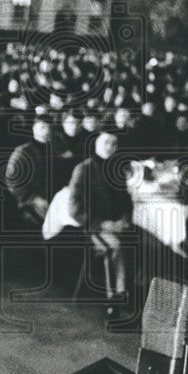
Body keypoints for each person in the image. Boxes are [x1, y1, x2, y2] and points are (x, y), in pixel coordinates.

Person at [67, 131, 134, 313]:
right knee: (114, 246)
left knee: (142, 241)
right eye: (106, 143)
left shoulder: (117, 169)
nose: (111, 147)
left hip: (116, 224)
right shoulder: (84, 169)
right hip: (94, 227)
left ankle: (134, 295)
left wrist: (124, 220)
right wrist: (102, 224)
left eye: (114, 144)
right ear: (97, 146)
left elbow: (126, 200)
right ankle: (114, 300)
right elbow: (74, 209)